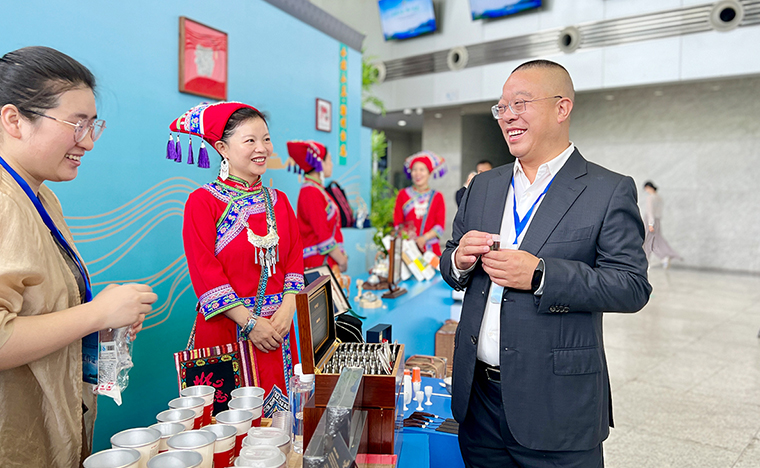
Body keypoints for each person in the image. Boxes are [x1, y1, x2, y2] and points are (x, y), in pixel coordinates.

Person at [440, 60, 652, 468]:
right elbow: (450, 261)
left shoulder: (607, 190)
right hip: (479, 403)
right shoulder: (483, 186)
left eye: (520, 104)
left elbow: (631, 286)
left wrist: (541, 276)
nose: (508, 116)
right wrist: (459, 259)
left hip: (557, 406)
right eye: (501, 107)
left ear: (561, 108)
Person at [0, 46, 157, 467]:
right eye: (76, 124)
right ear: (14, 120)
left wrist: (101, 318)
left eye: (93, 125)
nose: (87, 142)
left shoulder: (42, 197)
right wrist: (95, 314)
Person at [179, 102, 304, 416]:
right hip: (226, 328)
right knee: (226, 428)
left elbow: (294, 260)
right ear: (222, 148)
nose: (262, 149)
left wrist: (288, 308)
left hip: (277, 332)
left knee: (281, 427)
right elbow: (205, 274)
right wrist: (249, 323)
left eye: (266, 139)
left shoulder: (280, 201)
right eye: (250, 140)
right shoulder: (202, 202)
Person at [288, 140, 348, 272]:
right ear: (320, 162)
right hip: (318, 263)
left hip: (324, 261)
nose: (332, 164)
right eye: (329, 160)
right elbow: (323, 234)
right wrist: (342, 260)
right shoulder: (310, 192)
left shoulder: (317, 190)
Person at [393, 151, 447, 255]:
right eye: (414, 170)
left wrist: (424, 238)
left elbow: (440, 226)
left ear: (429, 173)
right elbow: (397, 223)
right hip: (408, 249)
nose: (418, 173)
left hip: (431, 251)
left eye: (422, 170)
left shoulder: (437, 197)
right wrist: (407, 237)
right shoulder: (402, 195)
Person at [642, 181, 681, 269]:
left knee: (647, 241)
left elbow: (650, 211)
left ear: (649, 187)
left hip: (650, 220)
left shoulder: (650, 198)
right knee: (656, 240)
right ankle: (663, 257)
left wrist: (650, 223)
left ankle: (646, 261)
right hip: (657, 220)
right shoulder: (659, 198)